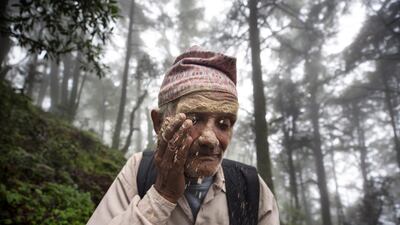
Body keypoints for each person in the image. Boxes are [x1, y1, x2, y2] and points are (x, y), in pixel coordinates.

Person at [87, 46, 279, 225]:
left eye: (224, 124)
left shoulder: (250, 188)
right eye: (194, 119)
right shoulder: (139, 171)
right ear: (159, 122)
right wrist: (162, 196)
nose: (210, 140)